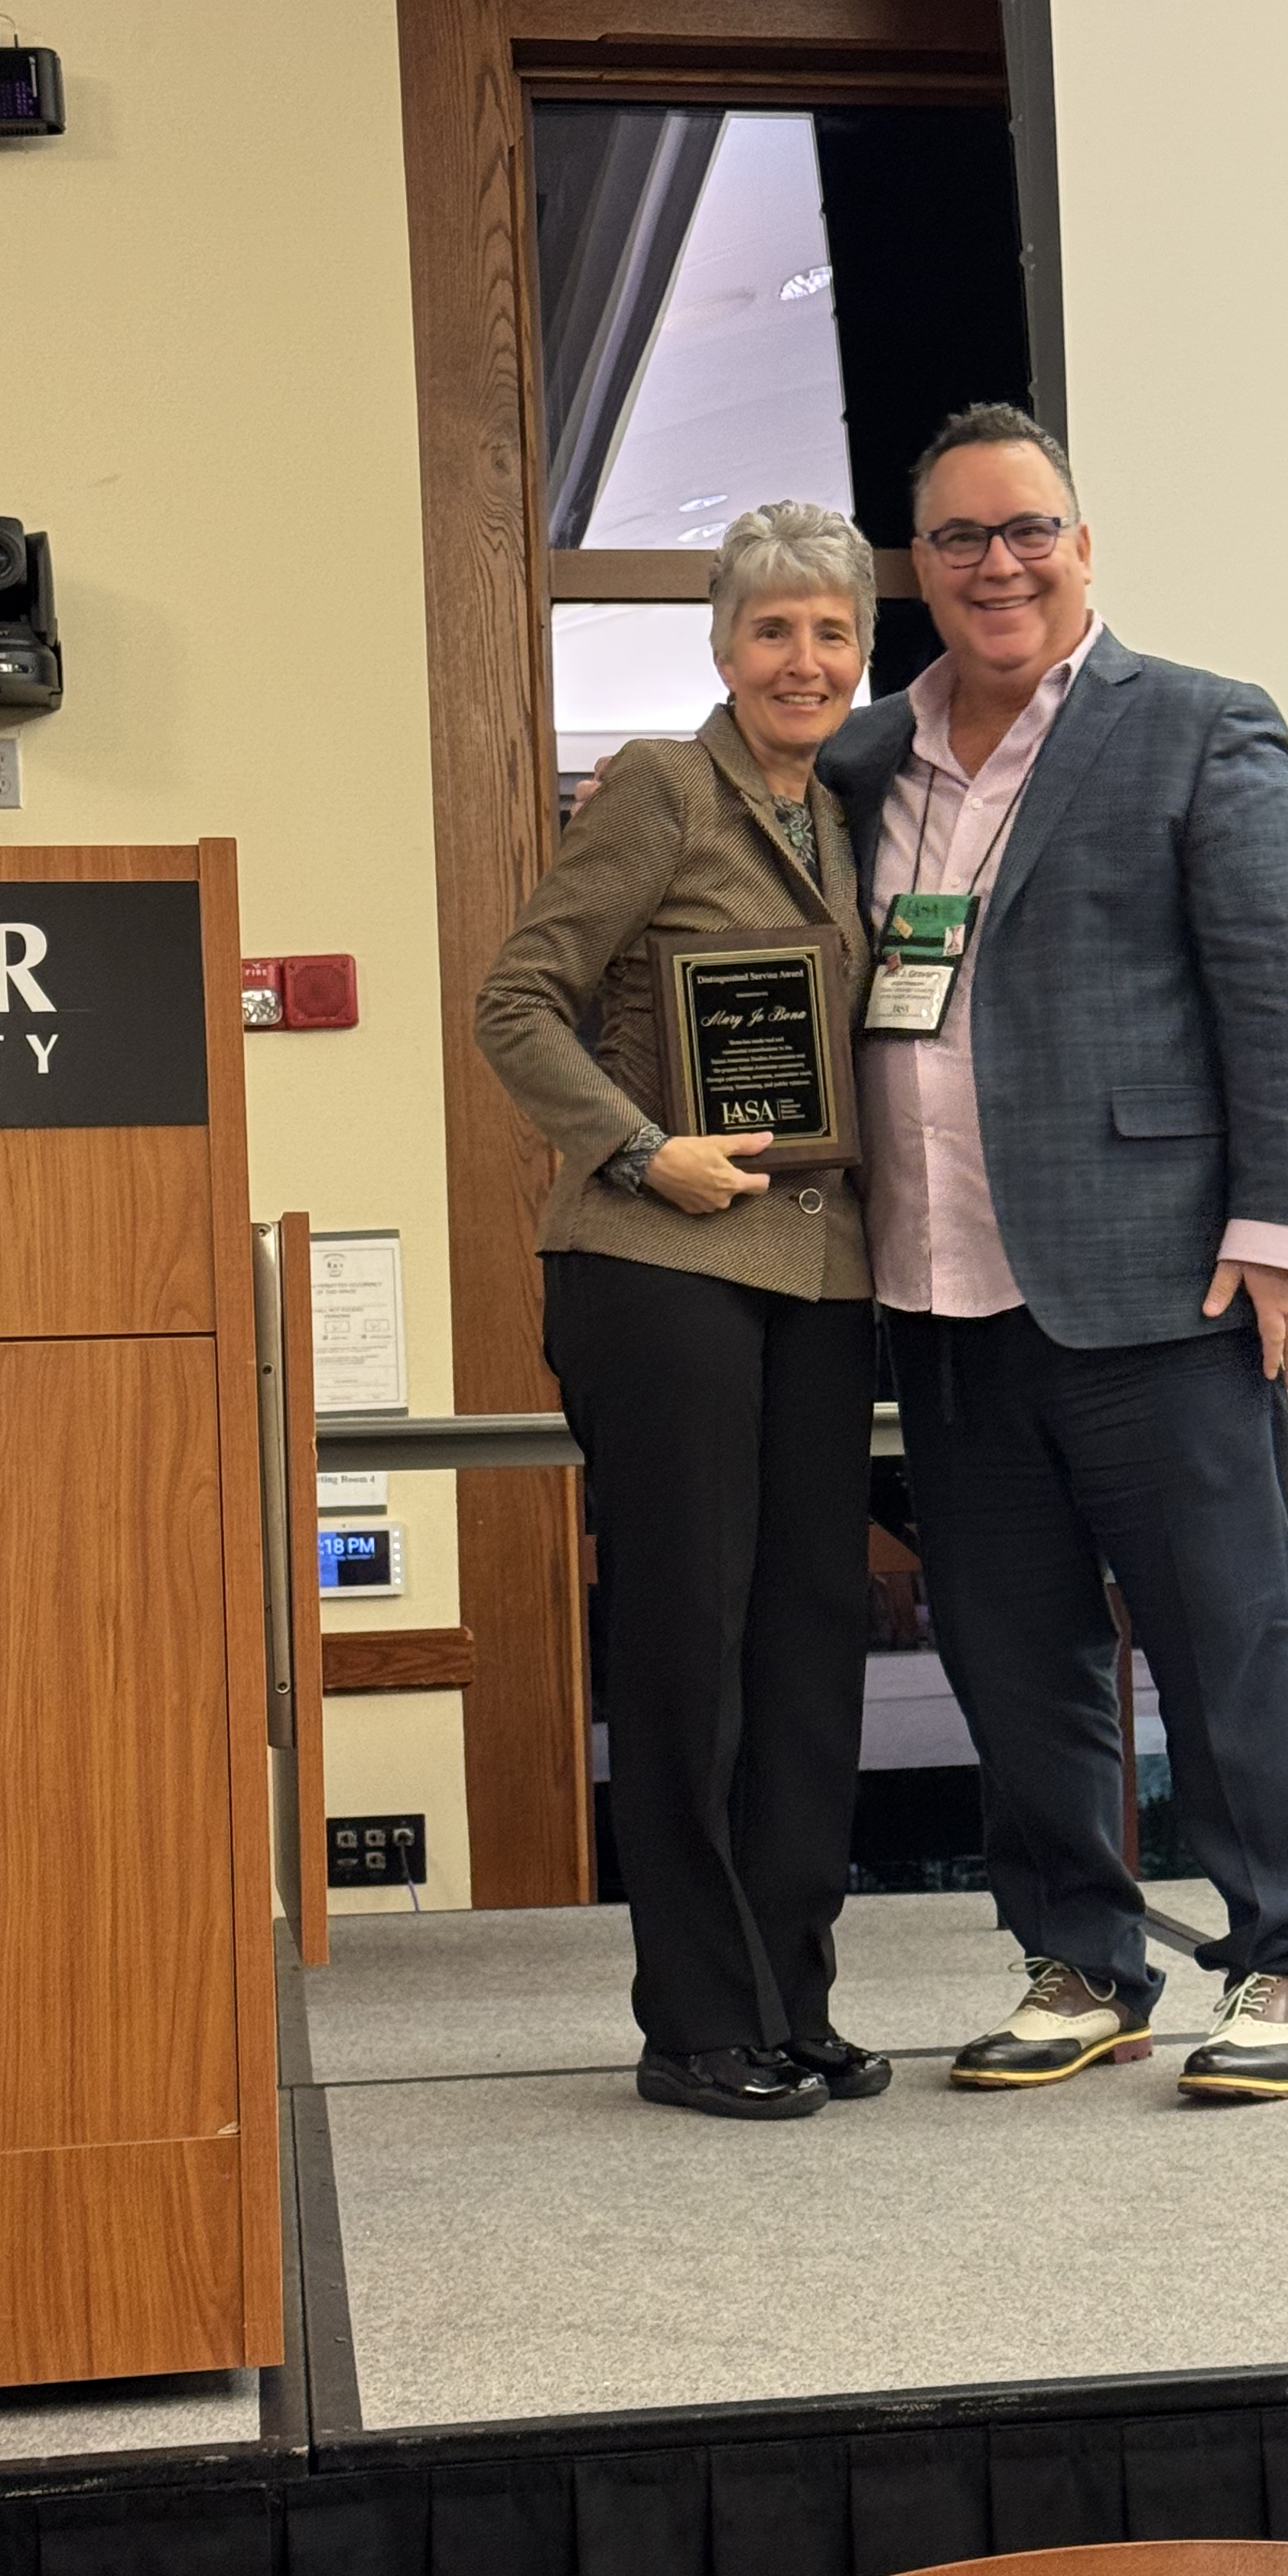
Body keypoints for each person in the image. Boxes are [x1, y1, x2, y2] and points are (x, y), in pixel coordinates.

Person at [821, 405, 1288, 2103]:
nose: (1000, 564)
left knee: (1227, 1635)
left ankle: (1283, 1964)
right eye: (963, 539)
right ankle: (1081, 1961)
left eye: (1028, 528)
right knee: (1011, 1649)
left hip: (1159, 1285)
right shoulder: (859, 764)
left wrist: (1282, 1239)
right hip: (941, 1291)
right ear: (919, 567)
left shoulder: (1196, 727)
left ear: (1084, 542)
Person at [476, 503, 888, 2122]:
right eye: (774, 629)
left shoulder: (848, 812)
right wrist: (645, 1153)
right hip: (658, 1273)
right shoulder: (661, 784)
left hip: (819, 1275)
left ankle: (793, 1998)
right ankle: (696, 2022)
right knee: (686, 1650)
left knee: (809, 1643)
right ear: (722, 646)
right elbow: (519, 1000)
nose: (805, 658)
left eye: (833, 632)